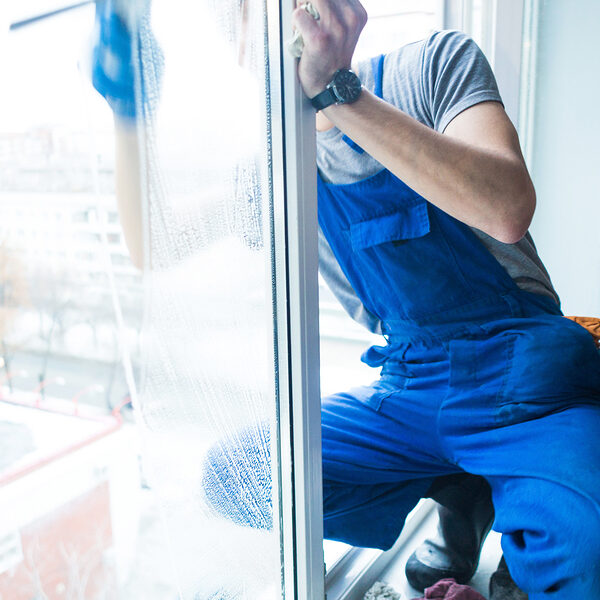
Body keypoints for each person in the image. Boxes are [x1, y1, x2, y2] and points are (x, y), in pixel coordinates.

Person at [92, 1, 600, 599]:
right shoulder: (283, 164)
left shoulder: (435, 65)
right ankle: (460, 484)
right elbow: (157, 243)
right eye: (238, 20)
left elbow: (507, 208)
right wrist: (129, 111)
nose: (255, 30)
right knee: (238, 476)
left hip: (528, 379)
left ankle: (496, 491)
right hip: (412, 386)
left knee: (587, 554)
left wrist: (336, 94)